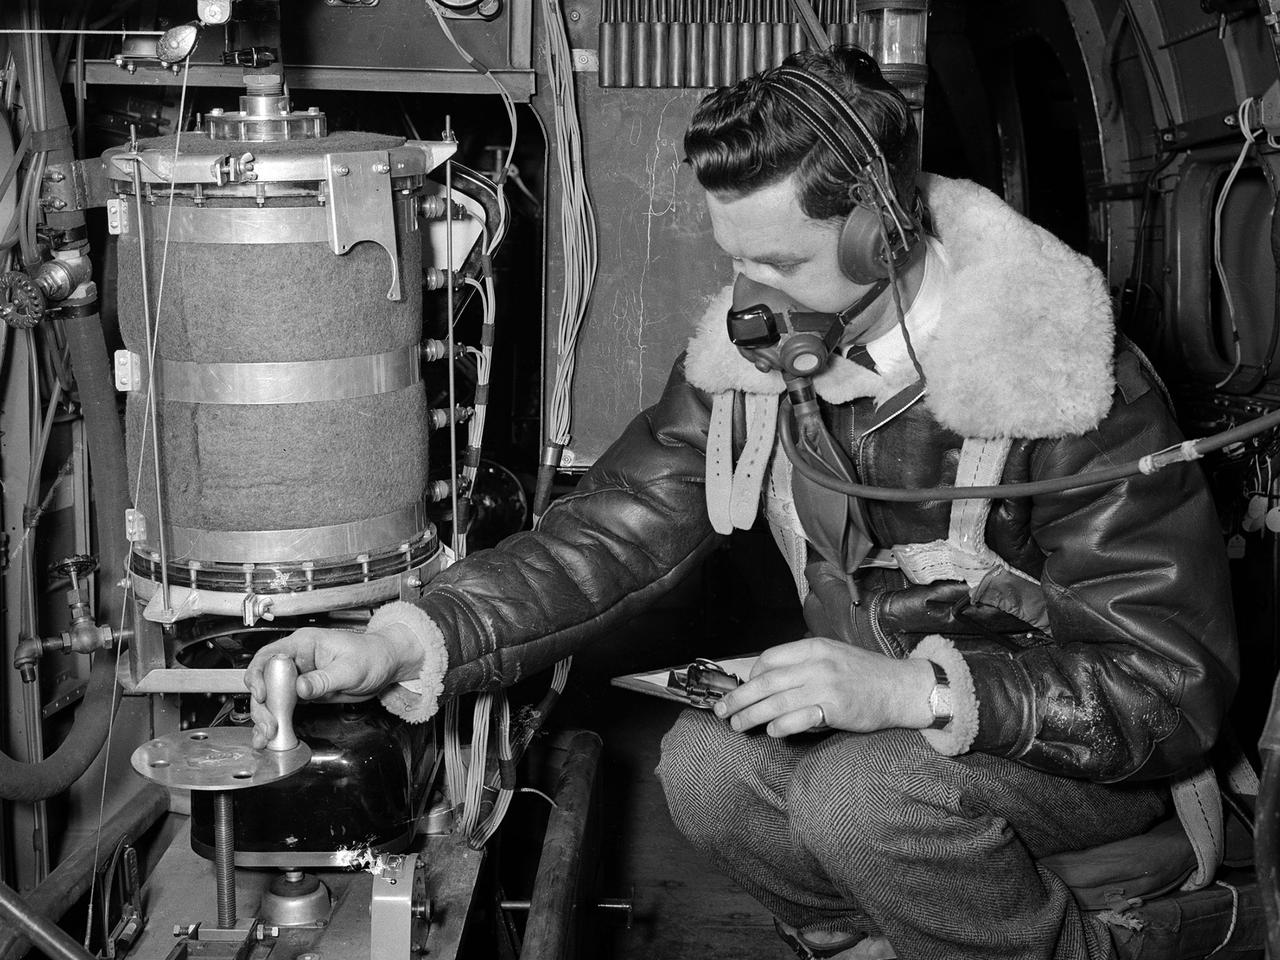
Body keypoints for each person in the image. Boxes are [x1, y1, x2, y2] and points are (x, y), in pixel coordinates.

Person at [246, 46, 1238, 960]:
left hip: (1072, 754)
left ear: (882, 236)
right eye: (736, 260)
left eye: (780, 264)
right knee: (705, 767)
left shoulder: (1068, 386)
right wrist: (407, 638)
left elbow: (1170, 690)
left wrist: (919, 693)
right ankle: (866, 942)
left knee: (861, 794)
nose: (748, 298)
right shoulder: (754, 353)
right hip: (881, 736)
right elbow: (610, 531)